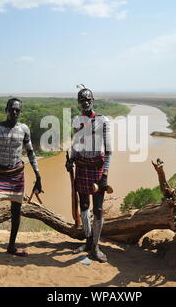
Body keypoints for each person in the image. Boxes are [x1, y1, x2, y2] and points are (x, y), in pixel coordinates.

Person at [0, 98, 42, 268]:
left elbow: (31, 153)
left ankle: (11, 245)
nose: (14, 113)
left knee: (16, 211)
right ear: (6, 109)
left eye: (17, 110)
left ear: (20, 112)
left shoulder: (24, 129)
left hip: (17, 175)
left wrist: (38, 176)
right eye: (12, 109)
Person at [66, 85, 112, 263]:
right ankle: (88, 240)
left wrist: (105, 175)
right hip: (81, 167)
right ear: (78, 103)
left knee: (98, 209)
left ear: (93, 100)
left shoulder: (103, 121)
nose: (85, 102)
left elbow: (108, 151)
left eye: (88, 99)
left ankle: (96, 246)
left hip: (98, 168)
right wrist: (71, 159)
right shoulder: (76, 121)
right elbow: (76, 144)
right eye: (82, 100)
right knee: (84, 205)